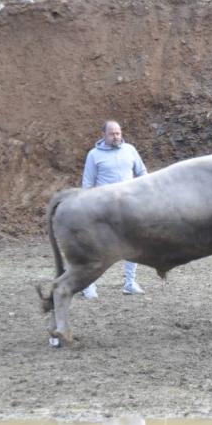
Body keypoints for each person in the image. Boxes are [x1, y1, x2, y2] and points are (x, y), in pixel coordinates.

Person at [81, 120, 148, 298]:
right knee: (98, 247)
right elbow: (87, 184)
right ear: (103, 135)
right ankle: (88, 285)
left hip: (129, 206)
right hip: (104, 208)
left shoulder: (130, 150)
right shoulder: (94, 155)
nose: (116, 136)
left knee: (132, 244)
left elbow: (142, 173)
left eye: (118, 133)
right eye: (112, 134)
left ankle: (129, 283)